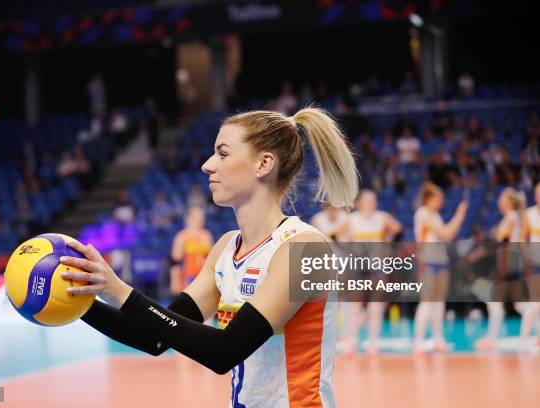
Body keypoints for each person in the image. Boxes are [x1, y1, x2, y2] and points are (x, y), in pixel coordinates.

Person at [60, 107, 358, 407]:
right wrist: (72, 299)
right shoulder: (227, 248)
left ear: (264, 164)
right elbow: (153, 337)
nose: (207, 165)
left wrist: (119, 290)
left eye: (223, 154)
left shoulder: (304, 248)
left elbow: (224, 351)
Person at [339, 190, 402, 355]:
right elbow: (338, 236)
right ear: (360, 203)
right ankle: (352, 341)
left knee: (376, 304)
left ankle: (373, 341)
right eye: (367, 201)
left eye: (373, 201)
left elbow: (397, 229)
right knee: (355, 305)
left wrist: (387, 242)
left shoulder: (382, 217)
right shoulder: (351, 219)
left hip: (377, 266)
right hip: (358, 265)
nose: (370, 204)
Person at [413, 182, 467, 354]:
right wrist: (459, 215)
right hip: (428, 260)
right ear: (429, 198)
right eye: (439, 199)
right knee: (427, 301)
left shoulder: (435, 214)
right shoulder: (423, 214)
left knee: (438, 301)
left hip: (441, 260)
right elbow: (447, 234)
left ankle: (438, 338)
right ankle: (419, 341)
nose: (441, 202)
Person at [475, 188, 526, 351]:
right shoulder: (510, 218)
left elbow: (504, 243)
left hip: (508, 264)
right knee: (518, 304)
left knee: (493, 299)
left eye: (502, 200)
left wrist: (502, 268)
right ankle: (492, 336)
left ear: (509, 202)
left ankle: (491, 337)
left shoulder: (510, 217)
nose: (499, 203)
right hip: (512, 263)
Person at [170, 207, 213, 295]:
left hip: (202, 277)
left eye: (202, 217)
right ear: (190, 218)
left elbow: (212, 258)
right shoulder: (181, 236)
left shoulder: (206, 235)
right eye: (199, 217)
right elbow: (175, 261)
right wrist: (174, 281)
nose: (202, 220)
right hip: (187, 278)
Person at [521, 182, 540, 350]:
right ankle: (524, 337)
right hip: (535, 263)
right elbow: (522, 239)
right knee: (535, 301)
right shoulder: (529, 214)